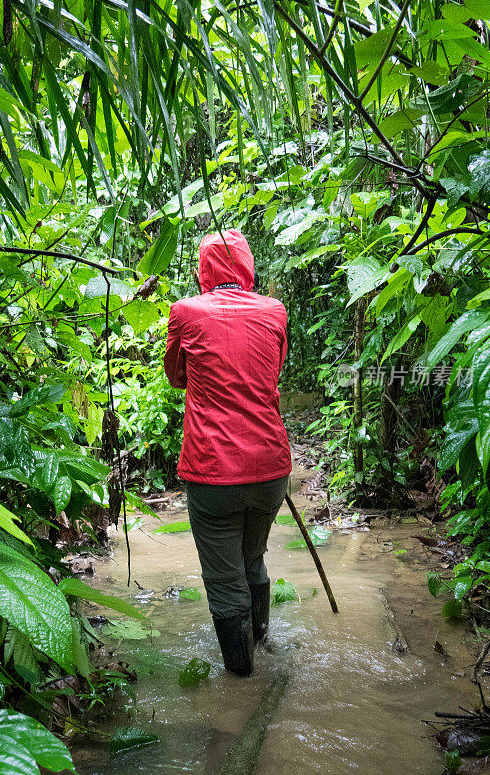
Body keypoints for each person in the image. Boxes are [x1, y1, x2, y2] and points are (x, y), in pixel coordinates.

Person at [163, 228, 292, 676]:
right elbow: (271, 375)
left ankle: (241, 684)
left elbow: (177, 377)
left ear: (204, 270)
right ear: (247, 267)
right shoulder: (274, 312)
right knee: (251, 559)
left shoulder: (185, 313)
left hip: (211, 473)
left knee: (224, 579)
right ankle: (262, 644)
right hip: (270, 469)